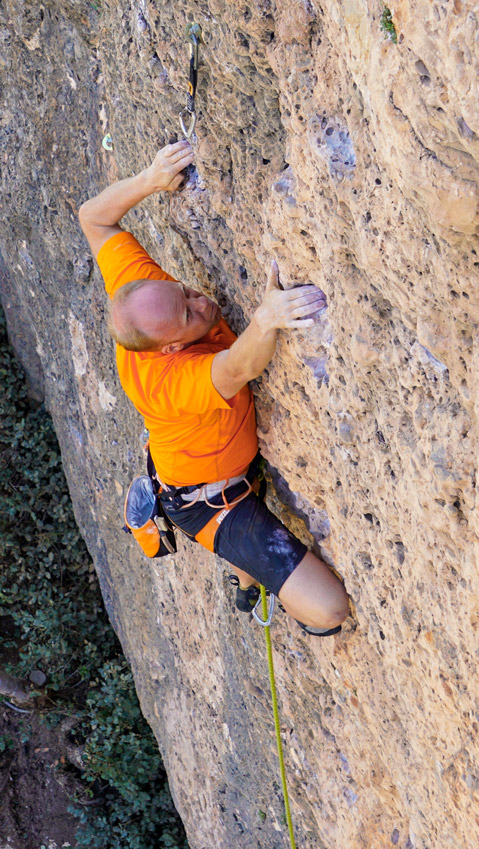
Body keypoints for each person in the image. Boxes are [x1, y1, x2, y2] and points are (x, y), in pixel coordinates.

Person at [78, 140, 349, 636]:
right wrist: (267, 317)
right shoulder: (169, 384)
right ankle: (249, 575)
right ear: (168, 349)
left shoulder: (144, 298)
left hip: (198, 459)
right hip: (210, 502)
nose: (201, 301)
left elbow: (93, 218)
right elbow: (238, 366)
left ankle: (249, 574)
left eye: (182, 290)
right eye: (188, 315)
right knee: (329, 610)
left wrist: (150, 179)